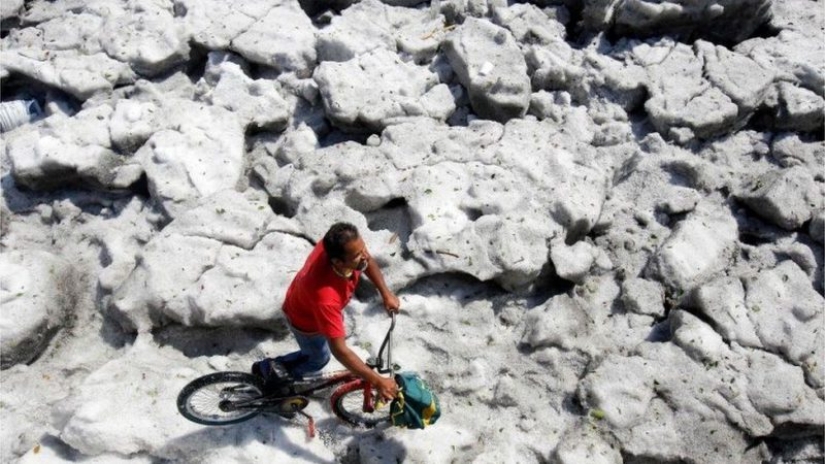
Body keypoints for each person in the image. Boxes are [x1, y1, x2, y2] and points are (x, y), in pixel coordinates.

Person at [275, 222, 400, 401]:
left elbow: (367, 260)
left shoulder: (342, 249)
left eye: (363, 247)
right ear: (337, 262)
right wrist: (377, 381)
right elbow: (339, 351)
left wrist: (386, 294)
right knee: (319, 358)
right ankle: (279, 377)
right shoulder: (326, 298)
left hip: (307, 300)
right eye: (358, 255)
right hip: (305, 320)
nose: (365, 255)